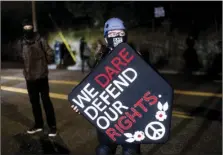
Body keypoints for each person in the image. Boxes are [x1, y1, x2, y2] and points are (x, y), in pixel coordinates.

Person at [71, 18, 141, 155]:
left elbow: (149, 84)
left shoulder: (136, 57)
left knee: (130, 152)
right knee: (104, 150)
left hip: (131, 116)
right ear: (106, 36)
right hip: (107, 116)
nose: (116, 36)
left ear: (125, 35)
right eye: (112, 33)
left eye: (119, 33)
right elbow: (93, 85)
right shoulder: (100, 59)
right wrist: (81, 103)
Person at [18, 19, 57, 137]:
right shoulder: (22, 42)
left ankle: (53, 127)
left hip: (41, 77)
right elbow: (20, 57)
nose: (27, 29)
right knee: (34, 103)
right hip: (29, 78)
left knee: (46, 102)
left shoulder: (41, 40)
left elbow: (50, 53)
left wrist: (44, 64)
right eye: (25, 27)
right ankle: (38, 125)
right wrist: (26, 70)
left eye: (29, 27)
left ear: (33, 27)